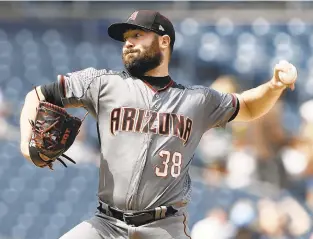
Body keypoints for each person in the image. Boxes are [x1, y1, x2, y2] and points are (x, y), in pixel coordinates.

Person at [19, 10, 297, 239]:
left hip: (164, 227)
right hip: (106, 224)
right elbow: (39, 94)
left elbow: (247, 105)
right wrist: (24, 144)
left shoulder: (196, 100)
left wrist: (274, 86)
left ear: (164, 42)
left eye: (137, 35)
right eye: (126, 38)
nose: (127, 42)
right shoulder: (103, 83)